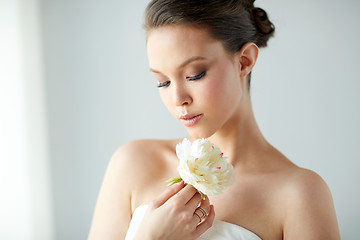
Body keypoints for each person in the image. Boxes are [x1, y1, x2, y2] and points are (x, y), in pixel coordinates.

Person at [88, 0, 340, 239]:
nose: (178, 99)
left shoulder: (300, 195)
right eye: (162, 81)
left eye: (195, 75)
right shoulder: (133, 164)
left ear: (244, 61)